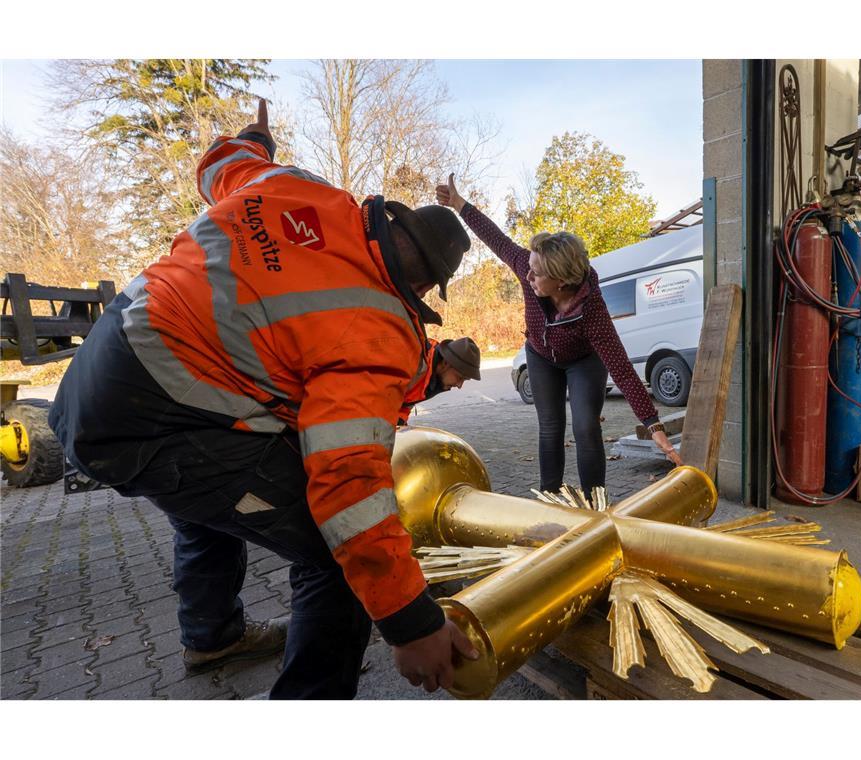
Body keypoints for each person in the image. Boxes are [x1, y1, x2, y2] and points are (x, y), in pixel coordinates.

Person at [49, 100, 479, 699]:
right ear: (428, 287)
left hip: (94, 375)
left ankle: (212, 634)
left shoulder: (297, 188)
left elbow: (223, 162)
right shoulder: (380, 327)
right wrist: (408, 619)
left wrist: (258, 138)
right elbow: (347, 485)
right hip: (152, 419)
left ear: (389, 216)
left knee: (209, 494)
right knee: (336, 557)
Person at [435, 174, 682, 499]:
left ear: (562, 280)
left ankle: (595, 504)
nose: (527, 275)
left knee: (585, 427)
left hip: (583, 362)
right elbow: (497, 240)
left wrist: (654, 426)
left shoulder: (591, 309)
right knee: (550, 429)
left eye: (536, 273)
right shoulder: (528, 265)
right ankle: (550, 500)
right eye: (530, 268)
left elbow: (621, 367)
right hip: (540, 356)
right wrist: (459, 205)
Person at [398, 337, 482, 425]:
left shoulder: (434, 378)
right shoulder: (416, 363)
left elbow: (407, 401)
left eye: (465, 380)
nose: (459, 385)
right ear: (445, 363)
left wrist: (400, 422)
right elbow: (385, 397)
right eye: (459, 377)